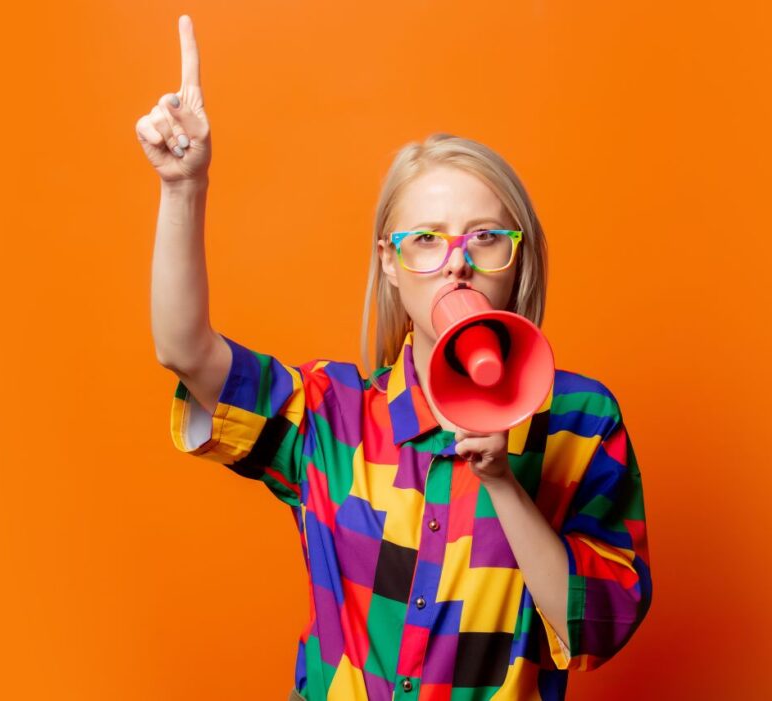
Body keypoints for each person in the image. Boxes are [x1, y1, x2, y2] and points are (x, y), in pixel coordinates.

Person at [139, 15, 652, 701]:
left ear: (516, 255)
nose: (458, 266)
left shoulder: (580, 422)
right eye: (426, 241)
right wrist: (183, 187)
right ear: (390, 263)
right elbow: (184, 350)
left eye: (486, 238)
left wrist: (503, 479)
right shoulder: (331, 415)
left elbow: (595, 628)